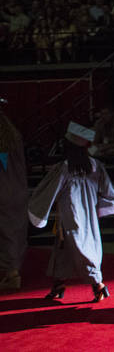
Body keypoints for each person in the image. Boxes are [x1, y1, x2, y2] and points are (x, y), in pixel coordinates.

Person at [28, 122, 114, 303]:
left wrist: (37, 208)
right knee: (66, 250)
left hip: (72, 215)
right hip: (86, 214)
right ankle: (58, 285)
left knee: (82, 247)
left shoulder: (65, 167)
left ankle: (98, 284)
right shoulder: (94, 165)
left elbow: (47, 190)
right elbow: (107, 189)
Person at [0, 99, 27, 291]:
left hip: (3, 189)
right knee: (15, 231)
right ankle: (13, 270)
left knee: (5, 233)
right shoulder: (13, 135)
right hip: (18, 189)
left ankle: (11, 274)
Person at [90, 107, 114, 183]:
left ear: (112, 114)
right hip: (104, 147)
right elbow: (95, 141)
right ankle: (93, 177)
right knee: (90, 150)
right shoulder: (99, 122)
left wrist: (107, 147)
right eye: (102, 114)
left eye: (106, 114)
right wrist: (98, 147)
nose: (104, 116)